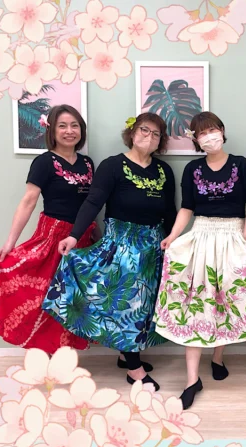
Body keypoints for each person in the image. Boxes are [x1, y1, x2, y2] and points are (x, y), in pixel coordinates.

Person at [42, 112, 176, 390]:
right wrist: (74, 236)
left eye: (156, 134)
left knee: (143, 308)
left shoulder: (164, 171)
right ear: (132, 133)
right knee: (125, 305)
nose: (149, 137)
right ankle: (135, 370)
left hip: (153, 247)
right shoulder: (113, 165)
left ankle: (126, 356)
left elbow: (170, 211)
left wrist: (174, 242)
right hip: (121, 246)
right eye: (144, 130)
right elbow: (93, 203)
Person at [153, 111, 246, 409]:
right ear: (195, 139)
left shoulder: (241, 164)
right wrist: (173, 235)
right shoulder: (192, 169)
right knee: (196, 304)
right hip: (201, 235)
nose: (208, 136)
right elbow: (187, 208)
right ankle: (192, 379)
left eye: (212, 130)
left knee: (225, 301)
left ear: (222, 130)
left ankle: (218, 356)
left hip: (233, 236)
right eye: (202, 133)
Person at [0, 104, 96, 354]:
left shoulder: (88, 163)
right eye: (62, 126)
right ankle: (44, 356)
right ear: (52, 130)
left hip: (83, 240)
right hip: (53, 238)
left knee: (74, 300)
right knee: (42, 298)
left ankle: (64, 353)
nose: (69, 131)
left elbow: (92, 203)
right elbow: (28, 201)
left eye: (74, 126)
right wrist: (10, 242)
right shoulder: (44, 162)